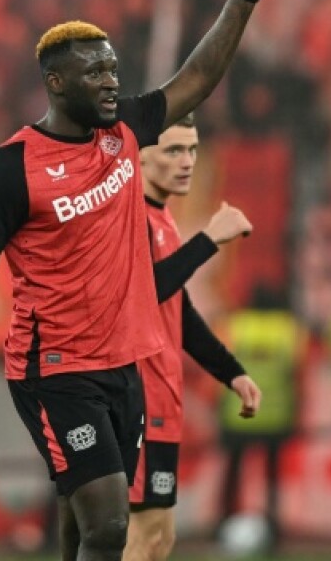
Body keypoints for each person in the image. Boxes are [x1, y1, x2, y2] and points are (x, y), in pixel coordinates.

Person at [0, 0, 286, 561]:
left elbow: (197, 78)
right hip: (54, 368)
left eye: (115, 72)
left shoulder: (124, 133)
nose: (112, 84)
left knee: (76, 514)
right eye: (97, 75)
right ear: (57, 83)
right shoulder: (7, 170)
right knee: (110, 524)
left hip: (124, 369)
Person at [124, 112, 260, 561]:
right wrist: (209, 240)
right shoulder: (126, 219)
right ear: (141, 158)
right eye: (174, 150)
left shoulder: (162, 220)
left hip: (163, 398)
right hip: (133, 401)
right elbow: (146, 293)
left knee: (160, 536)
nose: (187, 162)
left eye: (193, 150)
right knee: (139, 536)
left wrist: (232, 373)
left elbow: (177, 312)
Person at [219, 283, 303, 551]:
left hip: (236, 414)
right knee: (272, 476)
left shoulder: (234, 325)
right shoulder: (289, 329)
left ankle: (225, 522)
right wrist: (297, 410)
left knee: (233, 472)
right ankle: (273, 528)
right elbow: (299, 375)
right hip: (275, 414)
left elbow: (216, 370)